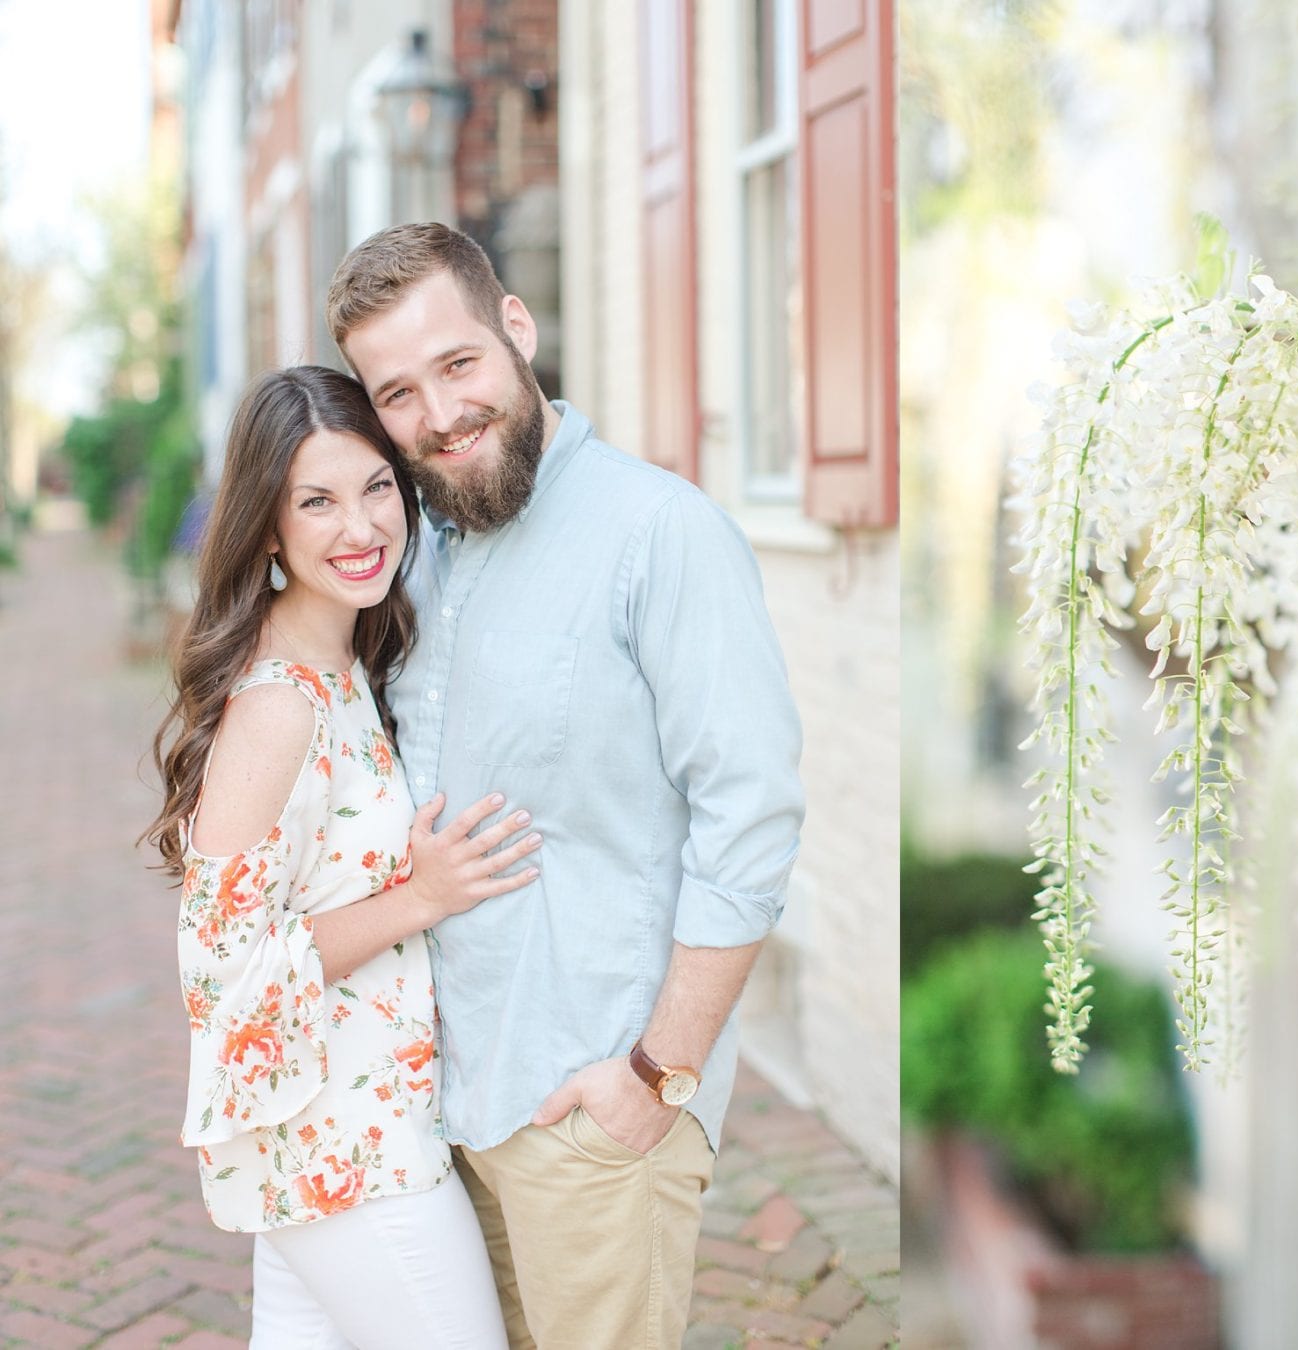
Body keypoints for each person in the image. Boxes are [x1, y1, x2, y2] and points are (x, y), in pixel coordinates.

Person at [325, 222, 806, 1348]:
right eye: (397, 394)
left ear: (517, 329)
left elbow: (753, 820)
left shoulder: (661, 533)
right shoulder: (414, 551)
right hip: (441, 1110)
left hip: (592, 1106)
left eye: (458, 366)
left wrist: (655, 1074)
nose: (438, 416)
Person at [144, 366, 541, 1348]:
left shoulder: (347, 662)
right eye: (314, 501)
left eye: (374, 487)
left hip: (351, 1119)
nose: (359, 528)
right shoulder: (281, 704)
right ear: (268, 528)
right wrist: (421, 898)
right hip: (340, 1146)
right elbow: (218, 963)